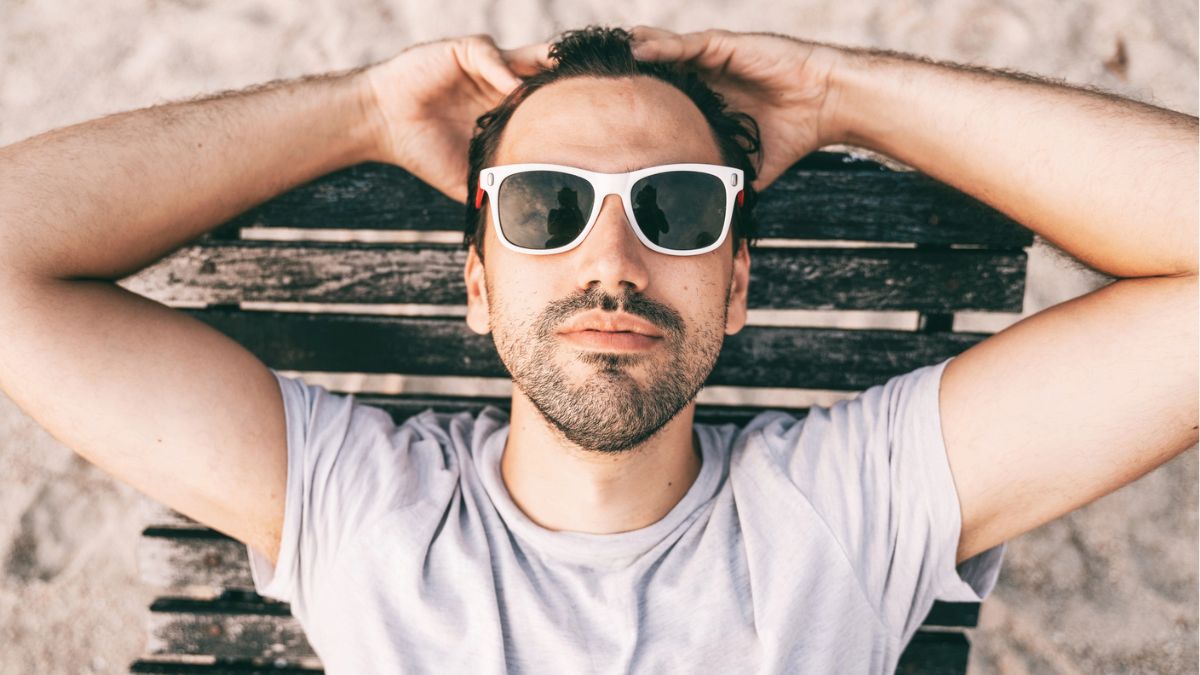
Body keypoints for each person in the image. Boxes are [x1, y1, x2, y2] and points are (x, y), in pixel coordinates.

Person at [0, 23, 1194, 675]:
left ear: (736, 283)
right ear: (477, 278)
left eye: (675, 206)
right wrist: (356, 112)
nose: (610, 258)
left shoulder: (845, 510)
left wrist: (840, 93)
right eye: (543, 209)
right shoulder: (360, 507)